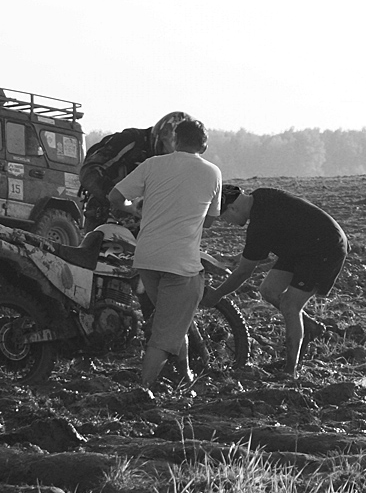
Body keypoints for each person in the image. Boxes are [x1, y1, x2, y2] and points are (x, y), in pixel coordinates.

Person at [108, 119, 222, 388]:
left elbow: (115, 197)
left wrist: (134, 209)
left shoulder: (152, 164)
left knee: (172, 320)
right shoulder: (212, 173)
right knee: (164, 334)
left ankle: (185, 377)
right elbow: (210, 220)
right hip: (180, 263)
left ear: (176, 140)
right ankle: (142, 389)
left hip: (146, 259)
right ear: (203, 144)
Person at [201, 187, 349, 378]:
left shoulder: (259, 225)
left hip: (324, 247)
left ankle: (290, 371)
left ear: (232, 208)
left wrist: (216, 295)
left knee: (290, 304)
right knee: (269, 290)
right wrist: (239, 257)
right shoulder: (261, 195)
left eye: (224, 219)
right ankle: (309, 326)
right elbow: (268, 239)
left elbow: (243, 273)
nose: (227, 224)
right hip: (301, 245)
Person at [79, 111, 192, 232]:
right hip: (104, 217)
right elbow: (89, 171)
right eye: (167, 150)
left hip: (145, 225)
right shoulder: (130, 141)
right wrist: (117, 197)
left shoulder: (179, 163)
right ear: (162, 137)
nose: (169, 156)